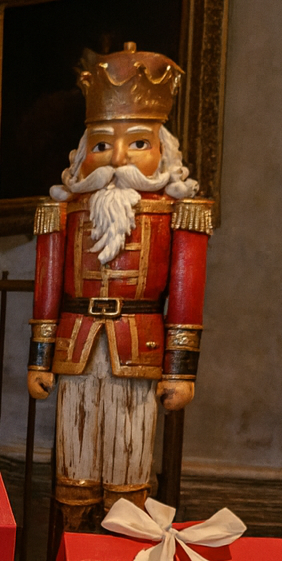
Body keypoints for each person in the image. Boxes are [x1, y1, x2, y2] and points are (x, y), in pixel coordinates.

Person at [25, 42, 212, 532]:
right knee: (74, 463)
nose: (119, 157)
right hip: (76, 346)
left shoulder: (181, 215)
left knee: (131, 464)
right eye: (104, 144)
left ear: (163, 152)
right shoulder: (62, 214)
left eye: (139, 143)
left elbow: (186, 299)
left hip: (140, 347)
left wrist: (181, 371)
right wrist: (39, 359)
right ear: (85, 155)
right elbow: (46, 291)